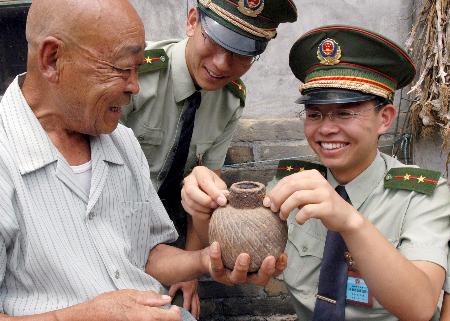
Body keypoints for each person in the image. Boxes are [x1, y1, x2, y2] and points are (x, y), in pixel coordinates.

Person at [0, 0, 285, 320]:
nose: (134, 86)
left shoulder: (119, 140)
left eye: (137, 70)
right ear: (53, 59)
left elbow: (146, 251)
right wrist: (88, 315)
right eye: (123, 69)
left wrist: (206, 261)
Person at [181, 25, 450, 320]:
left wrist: (350, 222)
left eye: (345, 113)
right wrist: (206, 210)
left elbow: (421, 308)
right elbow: (238, 257)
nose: (326, 128)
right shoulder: (292, 185)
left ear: (384, 118)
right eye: (314, 114)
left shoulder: (423, 197)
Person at [121, 0, 297, 315]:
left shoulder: (230, 100)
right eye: (215, 42)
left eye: (242, 53)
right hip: (108, 231)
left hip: (168, 240)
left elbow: (205, 195)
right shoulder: (134, 74)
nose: (221, 64)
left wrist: (188, 272)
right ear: (192, 22)